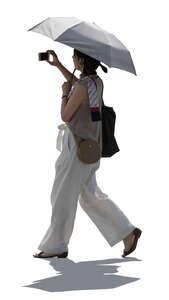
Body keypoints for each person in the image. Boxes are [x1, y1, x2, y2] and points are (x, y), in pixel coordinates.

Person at [33, 49, 142, 259]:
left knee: (62, 195)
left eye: (74, 56)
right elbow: (79, 86)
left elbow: (66, 114)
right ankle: (128, 233)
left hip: (76, 148)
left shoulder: (82, 86)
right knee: (90, 196)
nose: (73, 58)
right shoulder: (95, 82)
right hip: (90, 148)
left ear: (81, 60)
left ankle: (56, 246)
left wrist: (64, 92)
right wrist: (58, 66)